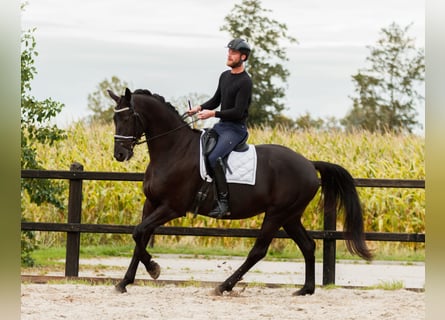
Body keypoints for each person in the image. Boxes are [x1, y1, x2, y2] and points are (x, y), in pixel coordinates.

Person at [188, 38, 252, 218]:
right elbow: (216, 100)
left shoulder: (245, 82)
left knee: (215, 157)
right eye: (229, 51)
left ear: (243, 57)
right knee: (198, 149)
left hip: (236, 129)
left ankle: (224, 203)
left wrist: (212, 114)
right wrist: (199, 108)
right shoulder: (224, 76)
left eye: (233, 52)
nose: (229, 54)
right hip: (222, 126)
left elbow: (238, 112)